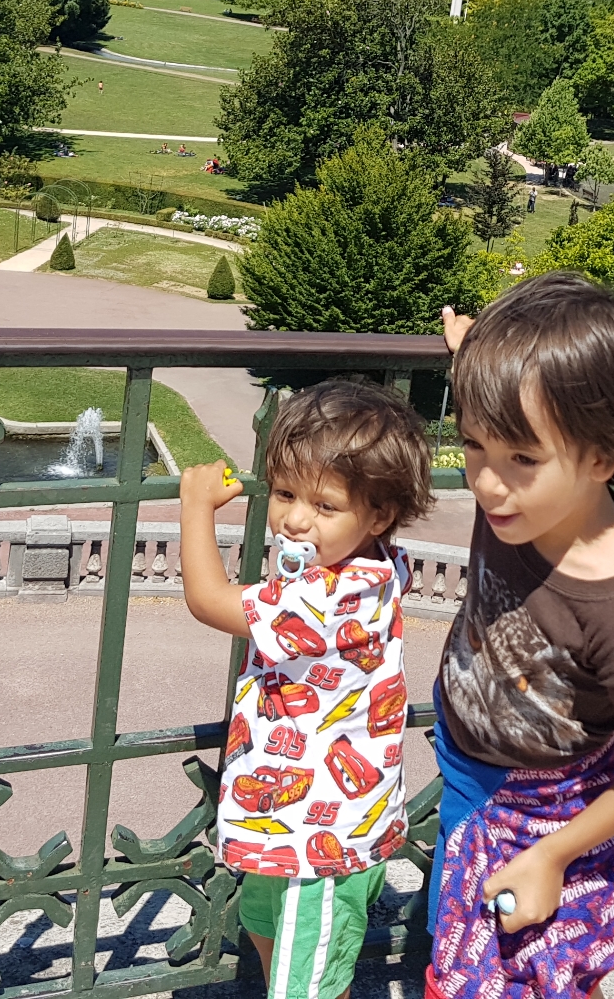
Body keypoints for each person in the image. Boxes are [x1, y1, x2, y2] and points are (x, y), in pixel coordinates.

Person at [427, 274, 614, 999]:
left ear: (604, 458)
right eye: (473, 444)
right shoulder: (536, 492)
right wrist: (475, 357)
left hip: (533, 809)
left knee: (513, 975)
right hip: (472, 756)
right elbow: (515, 418)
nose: (488, 484)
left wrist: (553, 856)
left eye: (521, 458)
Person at [178, 380, 431, 999]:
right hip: (299, 821)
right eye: (286, 493)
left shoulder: (325, 597)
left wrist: (195, 506)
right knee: (275, 942)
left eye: (323, 506)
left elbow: (209, 601)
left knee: (309, 985)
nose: (294, 519)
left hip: (317, 839)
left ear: (379, 516)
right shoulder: (376, 565)